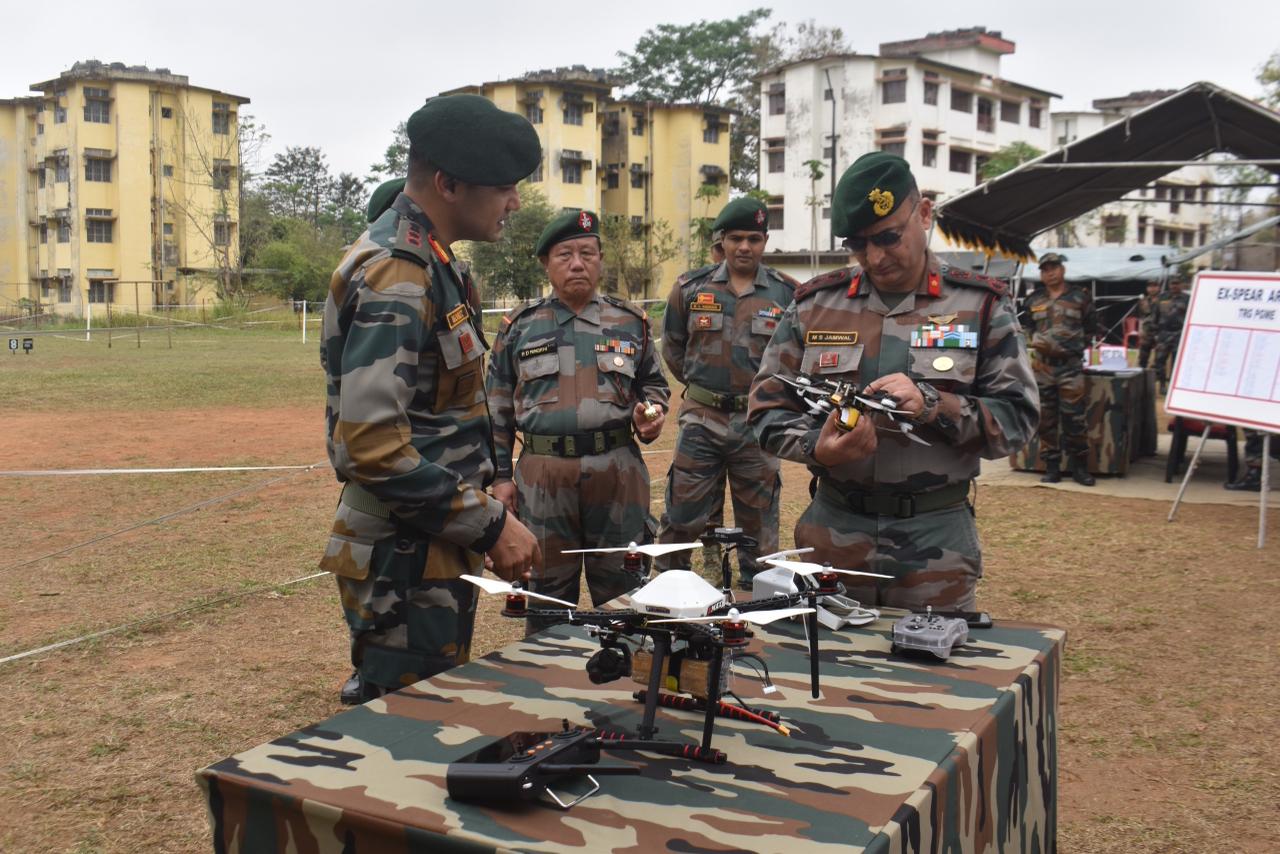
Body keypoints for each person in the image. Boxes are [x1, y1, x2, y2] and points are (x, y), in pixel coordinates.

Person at [319, 95, 542, 704]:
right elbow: (371, 446)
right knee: (410, 726)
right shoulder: (398, 273)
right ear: (448, 184)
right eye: (504, 187)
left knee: (428, 713)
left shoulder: (435, 265)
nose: (515, 202)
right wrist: (489, 525)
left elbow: (442, 413)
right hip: (404, 553)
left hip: (430, 539)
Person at [748, 152, 1038, 611]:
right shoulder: (815, 305)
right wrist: (816, 447)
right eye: (858, 245)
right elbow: (767, 409)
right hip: (834, 532)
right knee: (825, 654)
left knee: (930, 656)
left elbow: (1017, 421)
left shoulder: (980, 305)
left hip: (935, 541)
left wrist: (934, 405)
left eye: (888, 237)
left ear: (923, 214)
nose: (875, 258)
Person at [487, 210, 670, 633]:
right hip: (542, 479)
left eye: (587, 253)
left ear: (600, 260)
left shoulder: (630, 322)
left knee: (626, 594)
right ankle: (548, 667)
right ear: (546, 264)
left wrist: (653, 412)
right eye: (565, 255)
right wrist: (500, 477)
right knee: (546, 598)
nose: (577, 264)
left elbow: (654, 385)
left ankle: (624, 669)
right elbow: (495, 409)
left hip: (617, 474)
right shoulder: (519, 327)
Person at [656, 198, 797, 590]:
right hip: (701, 421)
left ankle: (759, 600)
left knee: (759, 526)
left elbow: (796, 357)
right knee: (681, 516)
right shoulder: (691, 287)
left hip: (758, 424)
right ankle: (669, 596)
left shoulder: (787, 294)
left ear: (765, 241)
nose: (744, 247)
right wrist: (706, 390)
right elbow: (674, 348)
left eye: (754, 238)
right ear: (723, 240)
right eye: (736, 238)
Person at [1021, 253, 1100, 486]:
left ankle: (1080, 468)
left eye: (1054, 268)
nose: (1050, 273)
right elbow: (1026, 327)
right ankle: (1052, 467)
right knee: (1045, 419)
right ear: (1041, 274)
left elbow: (1091, 327)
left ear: (1062, 270)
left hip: (1070, 368)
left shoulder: (1080, 297)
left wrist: (1072, 347)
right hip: (1042, 368)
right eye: (1045, 269)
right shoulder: (1033, 299)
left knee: (1075, 418)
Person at [1153, 277, 1189, 393]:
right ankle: (1162, 385)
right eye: (1172, 284)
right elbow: (1155, 316)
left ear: (1181, 284)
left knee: (1176, 362)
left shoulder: (1187, 299)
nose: (1174, 286)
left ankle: (1174, 386)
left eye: (1177, 283)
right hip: (1163, 333)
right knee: (1160, 360)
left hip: (1179, 333)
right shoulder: (1162, 297)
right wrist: (1155, 333)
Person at [1136, 280, 1160, 369]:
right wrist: (1140, 330)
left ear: (1158, 288)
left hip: (1159, 331)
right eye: (1150, 286)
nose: (1152, 289)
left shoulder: (1163, 300)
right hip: (1146, 331)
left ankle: (1157, 374)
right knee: (1143, 356)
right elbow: (1140, 317)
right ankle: (1142, 373)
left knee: (1159, 357)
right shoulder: (1143, 301)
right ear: (1147, 288)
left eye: (1154, 286)